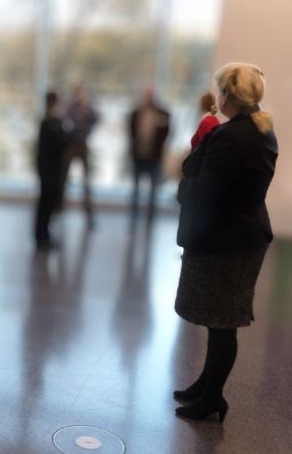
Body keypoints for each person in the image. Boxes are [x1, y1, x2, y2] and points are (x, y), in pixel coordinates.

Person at [173, 63, 277, 422]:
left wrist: (182, 187)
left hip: (226, 240)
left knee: (221, 323)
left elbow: (202, 188)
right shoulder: (261, 130)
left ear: (229, 96)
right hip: (242, 236)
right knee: (220, 322)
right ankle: (206, 385)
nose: (218, 96)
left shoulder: (230, 136)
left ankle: (213, 396)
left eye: (220, 90)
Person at [128, 88, 170, 222]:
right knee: (136, 188)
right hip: (138, 156)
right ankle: (134, 215)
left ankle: (151, 217)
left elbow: (166, 132)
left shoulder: (162, 114)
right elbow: (131, 130)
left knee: (153, 189)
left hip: (153, 157)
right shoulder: (136, 113)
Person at [60, 84, 99, 225]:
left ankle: (89, 215)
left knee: (86, 182)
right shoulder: (70, 107)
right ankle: (58, 211)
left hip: (83, 145)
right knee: (63, 179)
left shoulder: (88, 107)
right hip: (71, 145)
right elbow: (64, 121)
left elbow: (96, 119)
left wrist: (86, 108)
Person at [34, 92, 67, 250]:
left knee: (48, 203)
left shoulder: (53, 121)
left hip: (51, 168)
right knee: (45, 203)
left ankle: (44, 235)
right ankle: (41, 237)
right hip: (48, 169)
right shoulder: (48, 122)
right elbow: (57, 143)